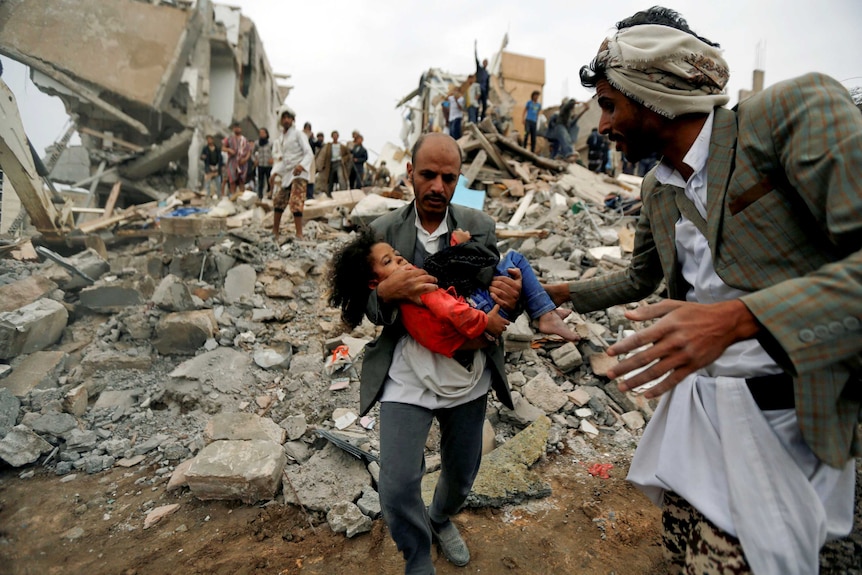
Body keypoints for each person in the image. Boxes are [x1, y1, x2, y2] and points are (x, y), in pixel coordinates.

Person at [544, 7, 861, 574]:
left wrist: (739, 319)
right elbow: (641, 276)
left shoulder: (789, 115)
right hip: (703, 414)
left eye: (610, 106)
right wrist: (557, 290)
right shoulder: (656, 187)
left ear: (650, 92)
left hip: (795, 418)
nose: (602, 126)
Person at [358, 133, 523, 575]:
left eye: (448, 178)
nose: (437, 187)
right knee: (395, 486)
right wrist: (387, 295)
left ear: (458, 180)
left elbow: (495, 297)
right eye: (427, 175)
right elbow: (360, 308)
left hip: (465, 370)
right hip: (407, 372)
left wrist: (511, 294)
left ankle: (440, 517)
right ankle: (416, 556)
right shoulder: (381, 233)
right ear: (409, 173)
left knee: (462, 474)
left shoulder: (479, 225)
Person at [329, 227, 577, 357]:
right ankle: (546, 314)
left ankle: (545, 305)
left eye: (396, 255)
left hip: (466, 330)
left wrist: (460, 245)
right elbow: (451, 309)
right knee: (515, 258)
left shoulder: (408, 292)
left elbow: (448, 266)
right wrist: (485, 322)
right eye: (388, 261)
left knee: (511, 281)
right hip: (475, 319)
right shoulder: (415, 287)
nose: (400, 259)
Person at [268, 106, 313, 241]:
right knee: (279, 200)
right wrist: (275, 172)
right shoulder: (282, 138)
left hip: (299, 172)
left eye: (289, 118)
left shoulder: (299, 134)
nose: (286, 120)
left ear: (292, 120)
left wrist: (301, 165)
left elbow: (309, 153)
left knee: (296, 201)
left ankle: (299, 234)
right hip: (288, 173)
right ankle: (275, 231)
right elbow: (284, 159)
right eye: (284, 117)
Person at [222, 122, 253, 198]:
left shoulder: (244, 140)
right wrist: (229, 150)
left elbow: (249, 151)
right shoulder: (229, 139)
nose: (237, 129)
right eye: (235, 127)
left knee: (241, 181)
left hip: (242, 163)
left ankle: (242, 198)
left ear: (241, 129)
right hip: (232, 162)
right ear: (233, 129)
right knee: (232, 181)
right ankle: (233, 196)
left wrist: (245, 159)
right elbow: (223, 148)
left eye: (238, 127)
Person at [199, 134, 223, 199]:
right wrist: (203, 157)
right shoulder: (205, 149)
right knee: (207, 183)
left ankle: (219, 196)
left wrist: (218, 166)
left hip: (216, 168)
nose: (209, 140)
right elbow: (202, 157)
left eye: (210, 139)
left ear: (212, 140)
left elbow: (220, 158)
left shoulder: (217, 149)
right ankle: (208, 197)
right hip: (208, 168)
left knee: (218, 183)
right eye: (208, 139)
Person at [253, 127, 273, 199]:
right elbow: (252, 153)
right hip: (261, 165)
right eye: (260, 133)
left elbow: (274, 153)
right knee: (260, 182)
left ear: (266, 134)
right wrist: (255, 160)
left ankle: (269, 195)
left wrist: (272, 159)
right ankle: (260, 197)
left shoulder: (270, 143)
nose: (261, 134)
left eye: (263, 133)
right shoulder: (257, 143)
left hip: (269, 165)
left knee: (269, 181)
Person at [474, 41, 490, 121]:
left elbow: (488, 85)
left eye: (486, 63)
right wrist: (475, 47)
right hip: (478, 89)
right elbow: (476, 59)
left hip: (484, 90)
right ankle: (476, 118)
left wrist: (487, 94)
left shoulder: (487, 73)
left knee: (484, 105)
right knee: (477, 104)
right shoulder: (479, 69)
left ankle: (482, 118)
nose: (485, 64)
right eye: (484, 62)